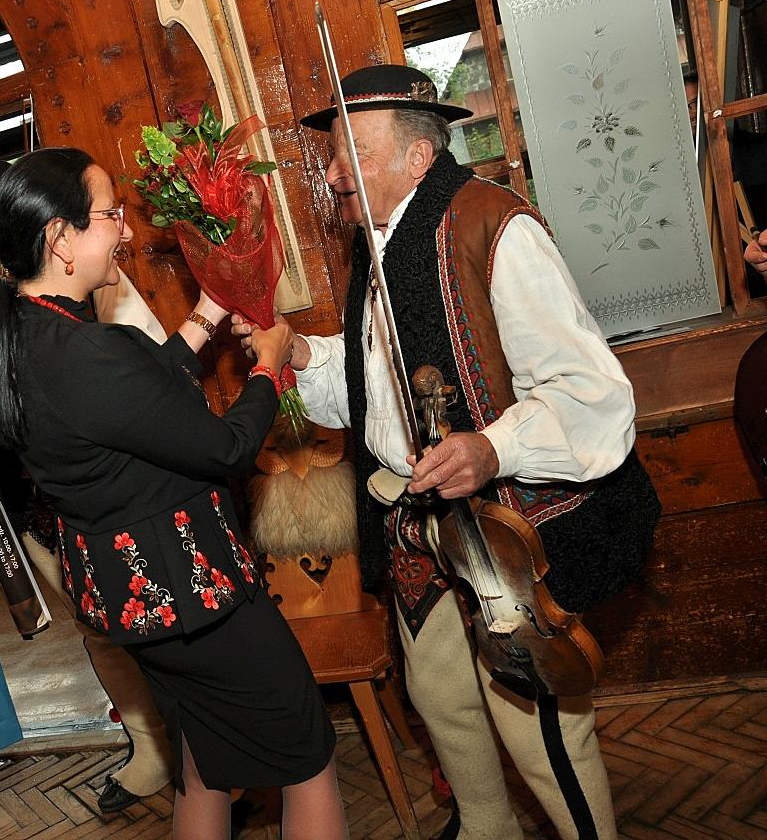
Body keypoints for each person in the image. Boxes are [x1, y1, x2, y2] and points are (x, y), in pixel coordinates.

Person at [235, 65, 660, 839]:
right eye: (332, 156)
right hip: (414, 527)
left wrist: (492, 450)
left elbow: (592, 394)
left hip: (504, 529)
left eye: (352, 154)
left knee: (536, 725)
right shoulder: (381, 243)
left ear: (418, 156)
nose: (332, 175)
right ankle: (484, 830)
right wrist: (299, 355)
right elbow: (375, 393)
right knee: (443, 703)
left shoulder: (493, 227)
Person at [0, 147, 347, 839]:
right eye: (109, 214)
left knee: (203, 766)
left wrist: (210, 308)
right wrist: (267, 368)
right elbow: (226, 448)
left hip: (136, 601)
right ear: (60, 238)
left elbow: (136, 396)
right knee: (307, 760)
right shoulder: (87, 351)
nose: (124, 229)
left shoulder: (25, 334)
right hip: (194, 596)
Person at [0, 158, 172, 813]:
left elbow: (154, 354)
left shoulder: (83, 263)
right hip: (36, 507)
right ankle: (150, 750)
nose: (9, 205)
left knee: (169, 613)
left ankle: (205, 750)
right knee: (102, 626)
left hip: (129, 483)